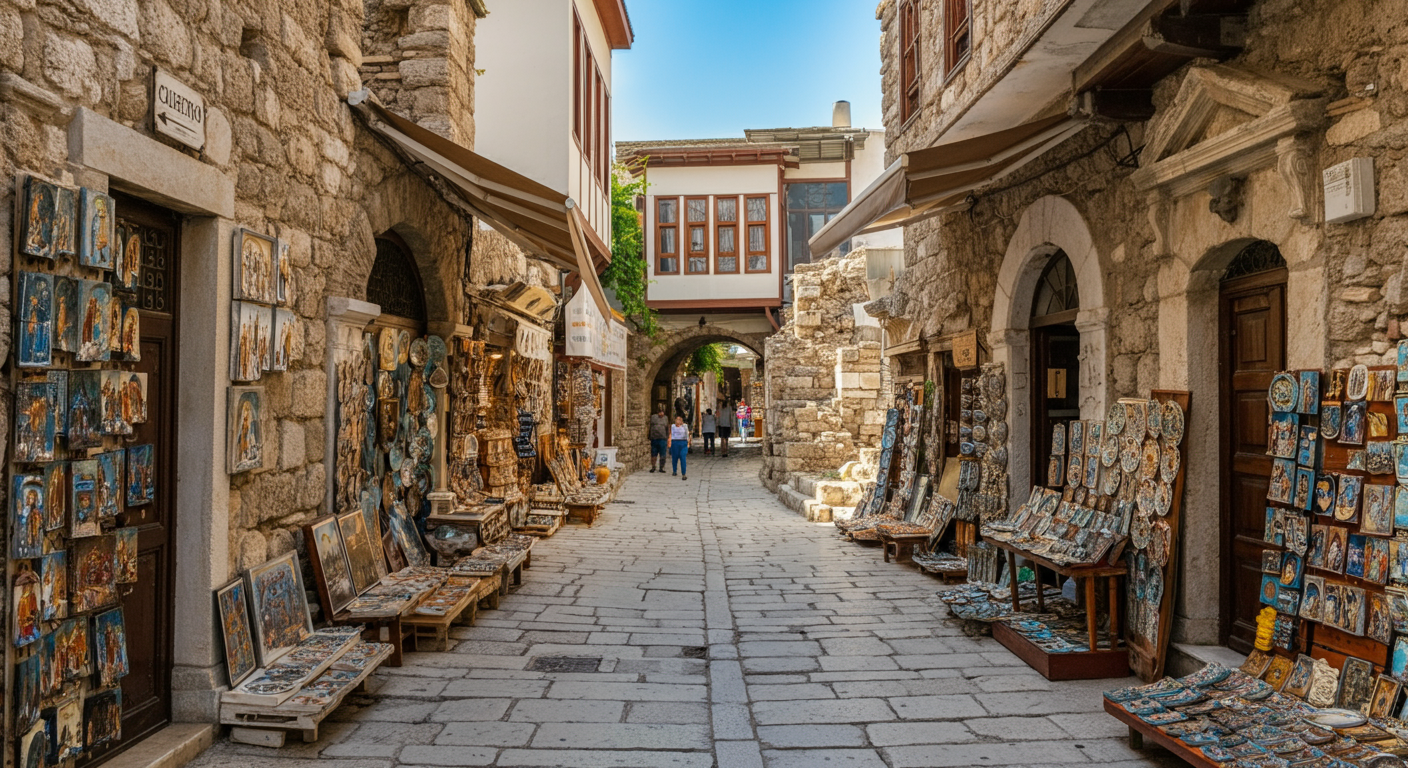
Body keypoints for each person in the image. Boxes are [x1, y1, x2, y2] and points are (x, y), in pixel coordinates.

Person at [648, 405, 669, 473]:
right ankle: (653, 467)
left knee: (663, 454)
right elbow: (649, 426)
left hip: (663, 438)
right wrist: (649, 435)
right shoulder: (653, 417)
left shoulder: (666, 418)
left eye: (662, 412)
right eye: (660, 412)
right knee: (654, 453)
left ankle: (661, 467)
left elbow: (667, 428)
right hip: (654, 438)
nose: (661, 414)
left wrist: (667, 437)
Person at [669, 415, 689, 480]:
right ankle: (674, 471)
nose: (678, 421)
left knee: (683, 457)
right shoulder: (673, 426)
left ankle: (684, 473)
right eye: (677, 419)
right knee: (674, 458)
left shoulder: (685, 426)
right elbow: (671, 434)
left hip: (683, 443)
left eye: (679, 419)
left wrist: (688, 443)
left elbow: (687, 434)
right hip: (675, 442)